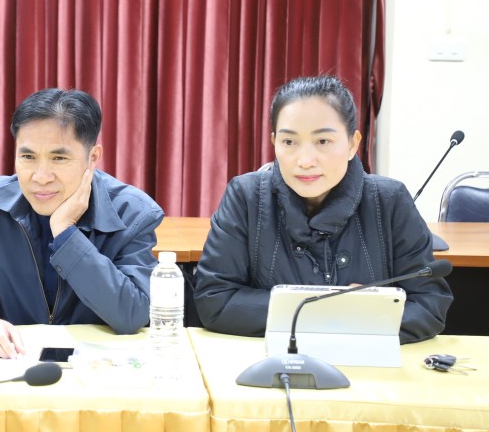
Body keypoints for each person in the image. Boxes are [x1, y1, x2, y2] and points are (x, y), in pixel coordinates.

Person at [193, 74, 452, 343]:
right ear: (274, 142)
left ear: (352, 144)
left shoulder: (389, 200)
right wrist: (336, 310)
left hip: (364, 362)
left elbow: (429, 306)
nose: (305, 161)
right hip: (275, 360)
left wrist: (314, 315)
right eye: (289, 142)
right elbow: (215, 300)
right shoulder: (246, 197)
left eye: (323, 141)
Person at [0, 88, 163, 358]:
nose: (41, 177)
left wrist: (66, 233)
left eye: (59, 158)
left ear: (92, 158)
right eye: (28, 157)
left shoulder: (133, 213)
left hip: (95, 366)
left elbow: (133, 313)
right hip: (15, 361)